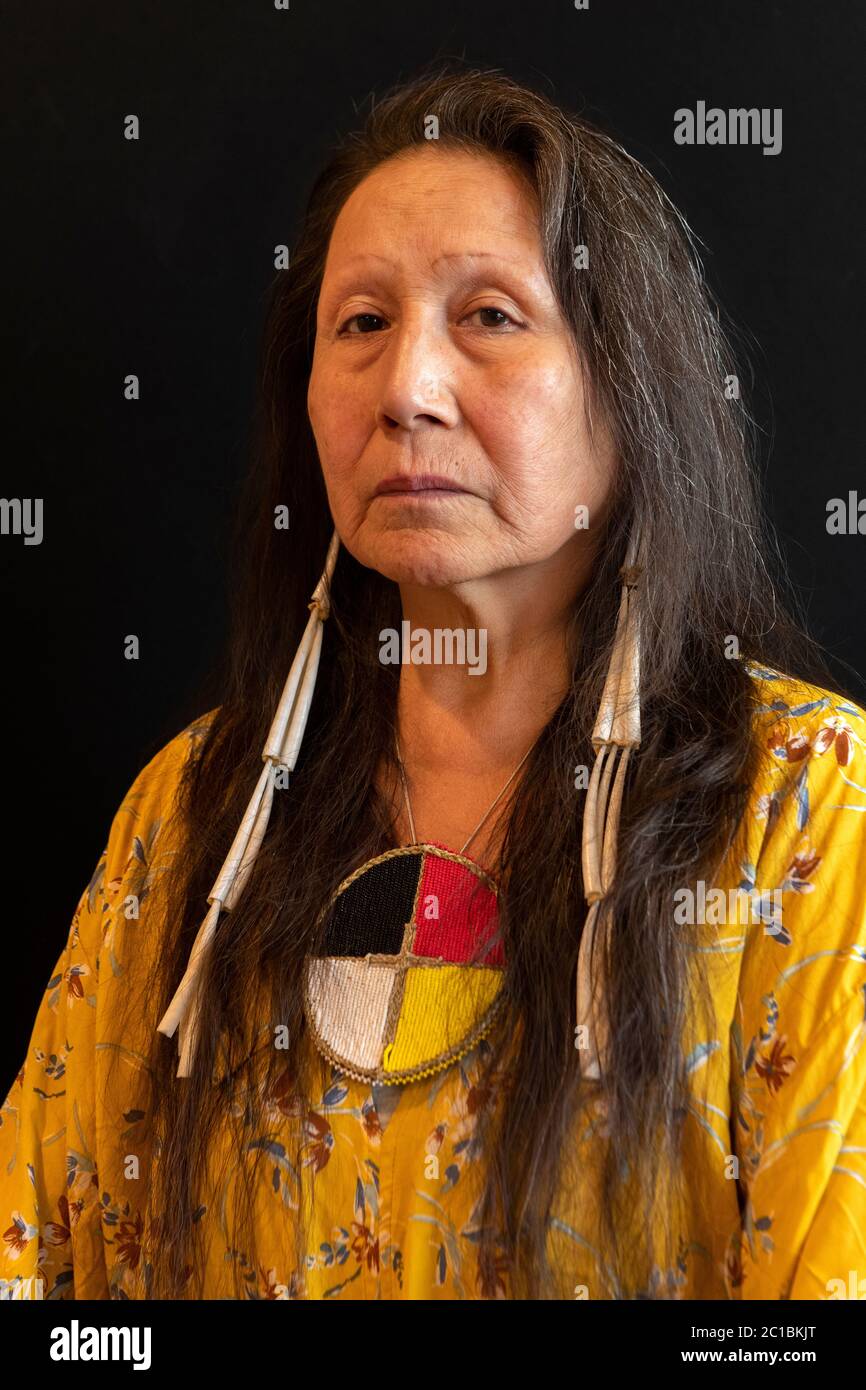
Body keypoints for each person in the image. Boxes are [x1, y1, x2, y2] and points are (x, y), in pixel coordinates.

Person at [2, 62, 865, 1302]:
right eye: (358, 322)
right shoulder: (195, 817)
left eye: (490, 317)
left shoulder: (806, 812)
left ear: (631, 393)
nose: (406, 391)